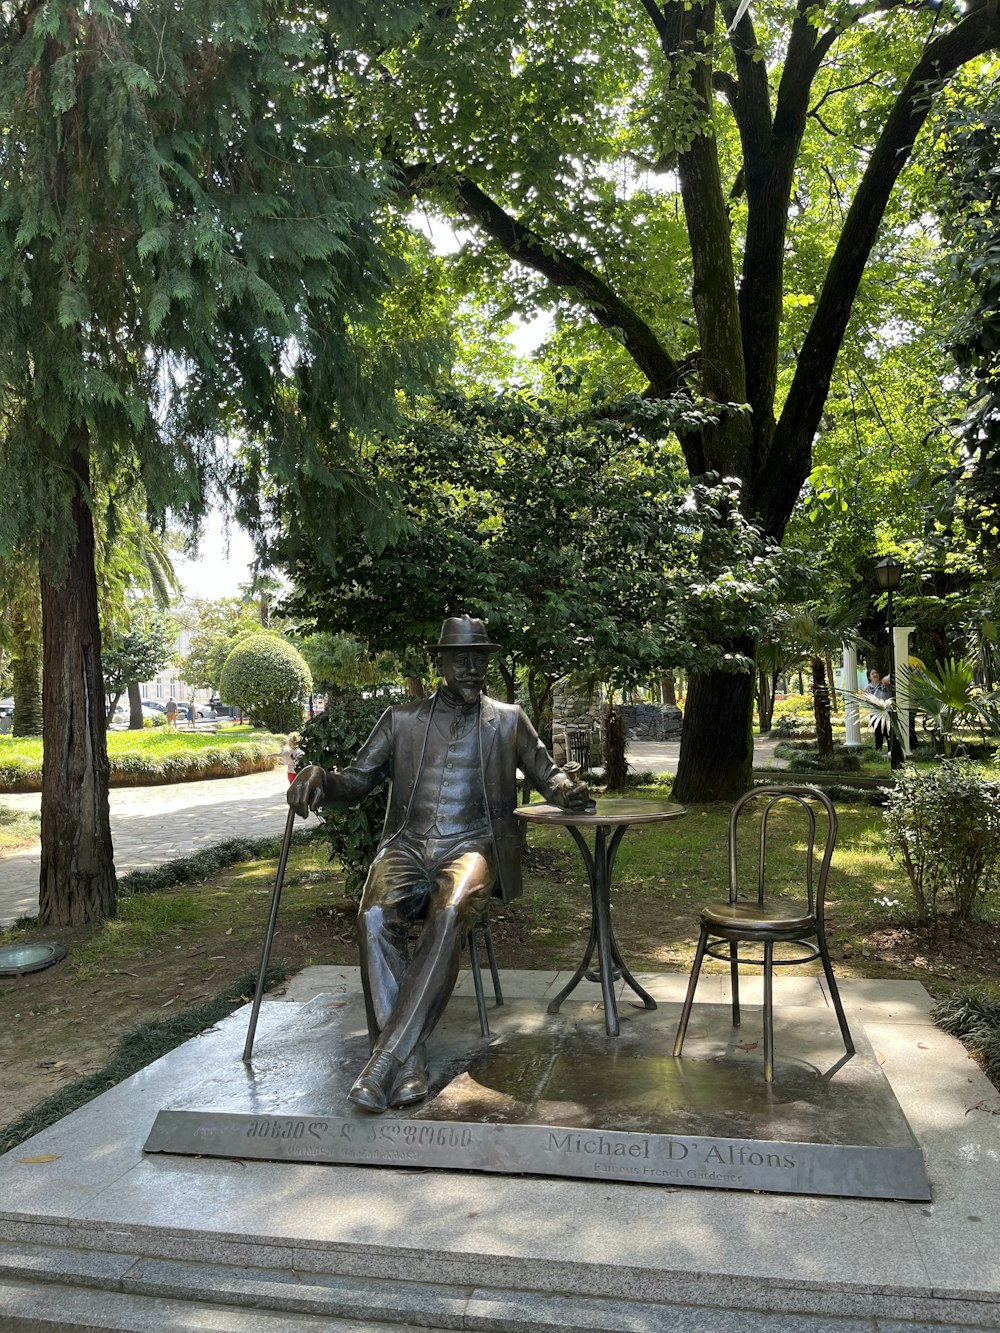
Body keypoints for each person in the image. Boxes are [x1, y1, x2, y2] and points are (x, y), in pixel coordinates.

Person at [287, 615, 592, 1114]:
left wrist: (567, 791)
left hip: (473, 847)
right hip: (408, 846)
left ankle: (384, 1061)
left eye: (480, 661)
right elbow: (358, 779)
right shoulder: (402, 721)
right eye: (462, 661)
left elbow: (548, 774)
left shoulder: (508, 719)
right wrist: (321, 777)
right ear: (442, 664)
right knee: (373, 915)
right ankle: (407, 1065)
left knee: (449, 911)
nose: (473, 669)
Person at [864, 668, 890, 752]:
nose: (875, 674)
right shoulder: (867, 688)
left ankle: (891, 751)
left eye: (876, 672)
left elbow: (888, 678)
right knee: (878, 734)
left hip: (887, 712)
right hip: (875, 714)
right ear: (869, 677)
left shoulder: (883, 683)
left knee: (888, 733)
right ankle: (878, 752)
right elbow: (865, 701)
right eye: (873, 673)